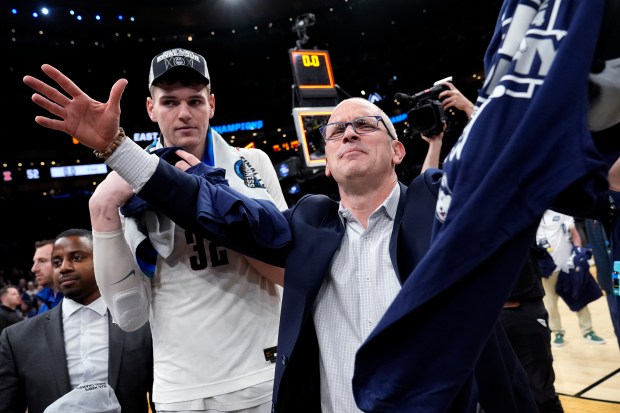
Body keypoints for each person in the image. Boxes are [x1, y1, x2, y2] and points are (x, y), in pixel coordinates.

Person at [22, 58, 538, 411]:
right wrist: (118, 152)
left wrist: (478, 111)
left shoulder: (434, 203)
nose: (348, 132)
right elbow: (219, 212)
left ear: (399, 151)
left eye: (367, 124)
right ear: (328, 163)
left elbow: (505, 166)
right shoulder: (310, 224)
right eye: (335, 131)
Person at [26, 48, 287, 412]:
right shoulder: (123, 186)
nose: (184, 113)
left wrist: (210, 200)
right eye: (169, 102)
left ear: (212, 104)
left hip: (260, 378)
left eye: (195, 100)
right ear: (151, 108)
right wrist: (101, 210)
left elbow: (286, 272)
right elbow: (129, 316)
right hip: (177, 391)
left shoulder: (250, 164)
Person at [0, 229, 154, 413]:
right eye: (56, 262)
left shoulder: (141, 325)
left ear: (101, 259)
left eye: (77, 257)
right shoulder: (17, 338)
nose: (64, 267)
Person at [536, 210, 606, 346]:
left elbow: (574, 232)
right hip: (547, 269)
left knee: (579, 297)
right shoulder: (532, 213)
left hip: (567, 265)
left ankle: (588, 331)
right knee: (550, 304)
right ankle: (558, 333)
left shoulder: (560, 210)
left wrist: (578, 252)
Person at [31, 239, 63, 314]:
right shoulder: (43, 308)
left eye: (42, 261)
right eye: (34, 262)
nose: (34, 269)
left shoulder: (81, 302)